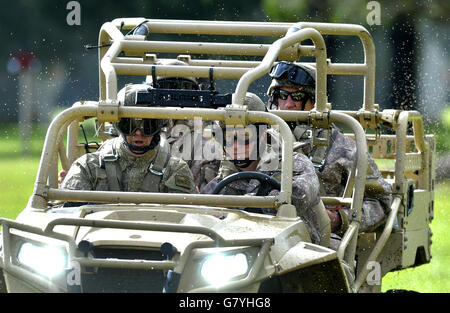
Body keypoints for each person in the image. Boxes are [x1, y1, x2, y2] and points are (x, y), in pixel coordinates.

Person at [267, 61, 393, 240]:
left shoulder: (342, 147)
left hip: (317, 241)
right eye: (282, 95)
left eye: (297, 97)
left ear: (314, 100)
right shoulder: (254, 139)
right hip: (262, 233)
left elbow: (381, 201)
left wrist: (339, 220)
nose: (288, 104)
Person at [202, 92, 329, 246]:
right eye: (227, 138)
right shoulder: (221, 179)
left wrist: (236, 207)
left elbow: (298, 198)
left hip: (297, 255)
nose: (234, 146)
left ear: (262, 135)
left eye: (243, 137)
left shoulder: (294, 164)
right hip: (241, 256)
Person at [60, 84, 196, 194]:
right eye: (129, 125)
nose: (138, 133)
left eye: (147, 126)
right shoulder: (88, 167)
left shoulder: (176, 171)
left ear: (160, 128)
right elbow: (67, 216)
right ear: (117, 126)